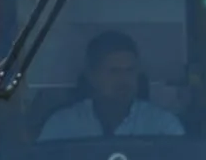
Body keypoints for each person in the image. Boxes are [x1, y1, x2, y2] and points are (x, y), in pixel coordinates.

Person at [37, 31, 184, 142]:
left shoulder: (163, 125)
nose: (124, 79)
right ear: (92, 76)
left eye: (130, 71)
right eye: (114, 72)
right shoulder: (62, 125)